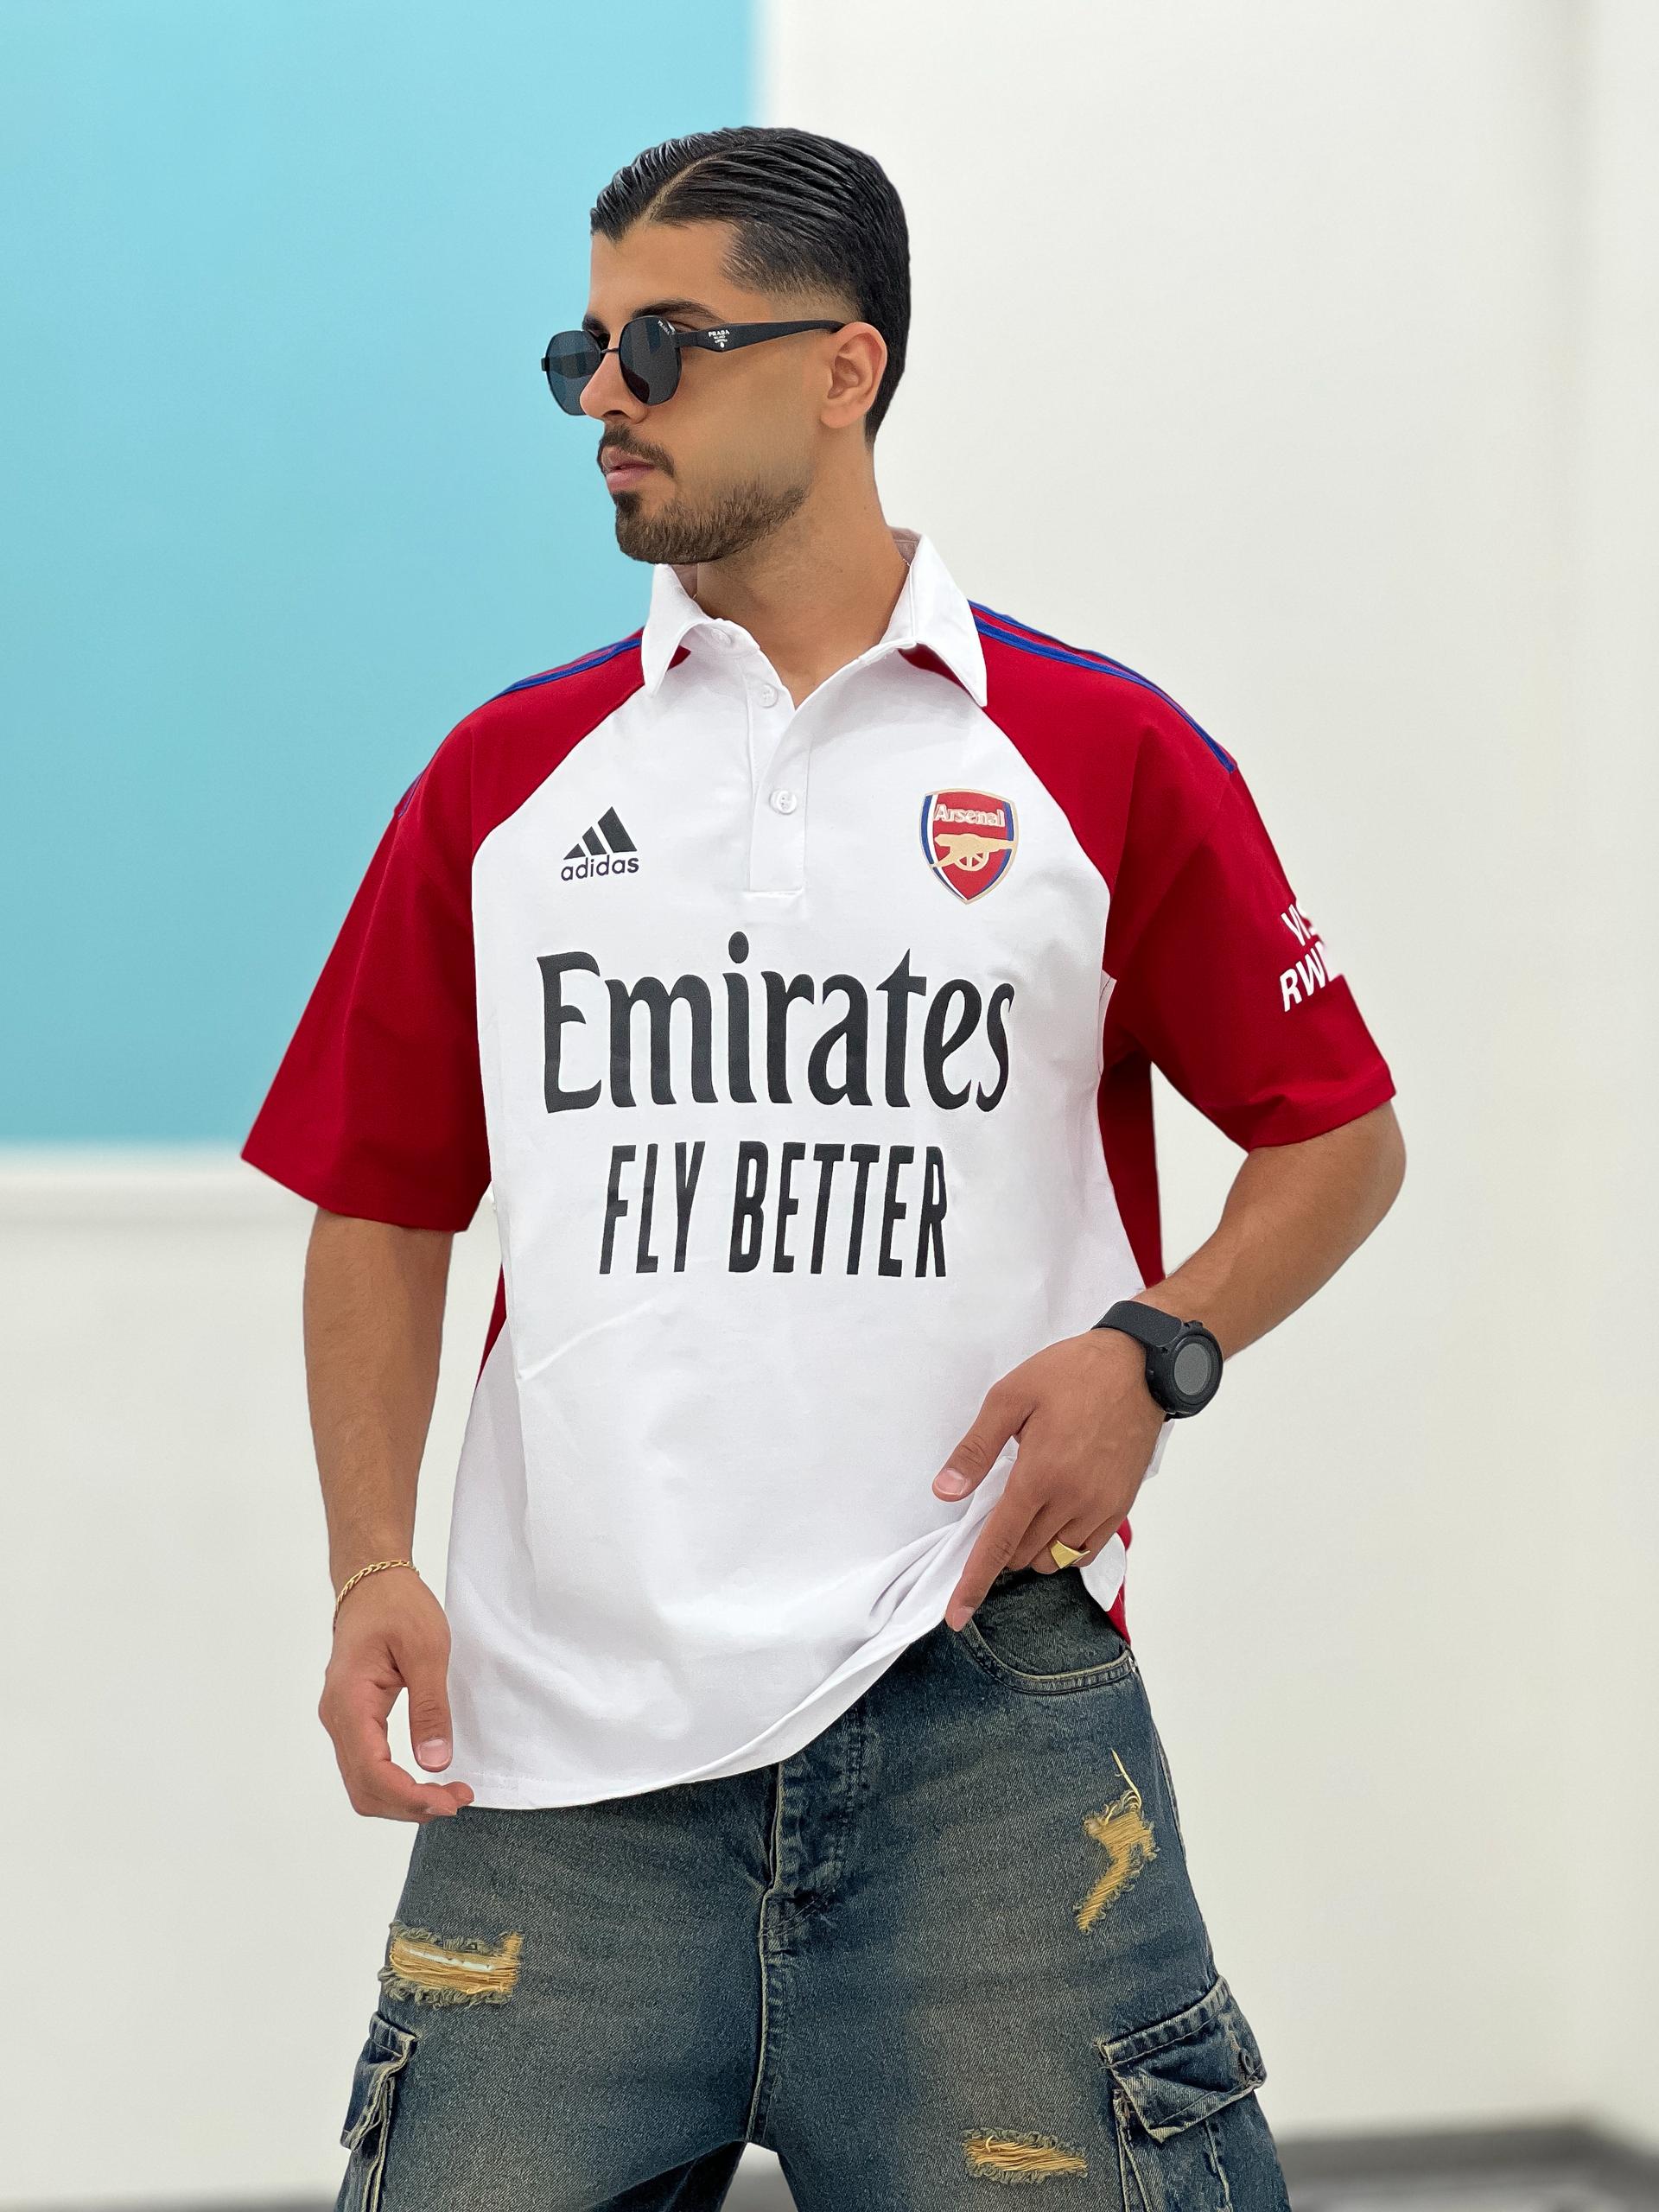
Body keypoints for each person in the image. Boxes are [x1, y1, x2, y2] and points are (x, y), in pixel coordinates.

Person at [243, 124, 1404, 2212]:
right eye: (584, 351)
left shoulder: (1099, 753)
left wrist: (1157, 1348)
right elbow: (383, 1196)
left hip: (983, 1725)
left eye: (665, 346)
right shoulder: (507, 781)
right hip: (564, 1757)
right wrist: (366, 1561)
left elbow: (1339, 1134)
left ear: (845, 366)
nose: (606, 401)